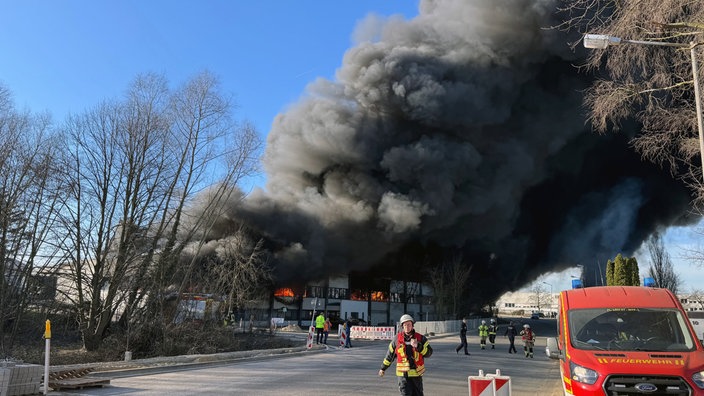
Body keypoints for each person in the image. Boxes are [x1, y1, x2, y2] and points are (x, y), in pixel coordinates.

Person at [378, 314, 433, 396]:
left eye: (409, 324)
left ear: (412, 325)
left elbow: (429, 353)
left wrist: (419, 346)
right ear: (402, 326)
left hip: (416, 375)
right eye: (405, 325)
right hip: (403, 376)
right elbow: (390, 356)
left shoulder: (421, 338)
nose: (407, 327)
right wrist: (383, 368)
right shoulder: (397, 339)